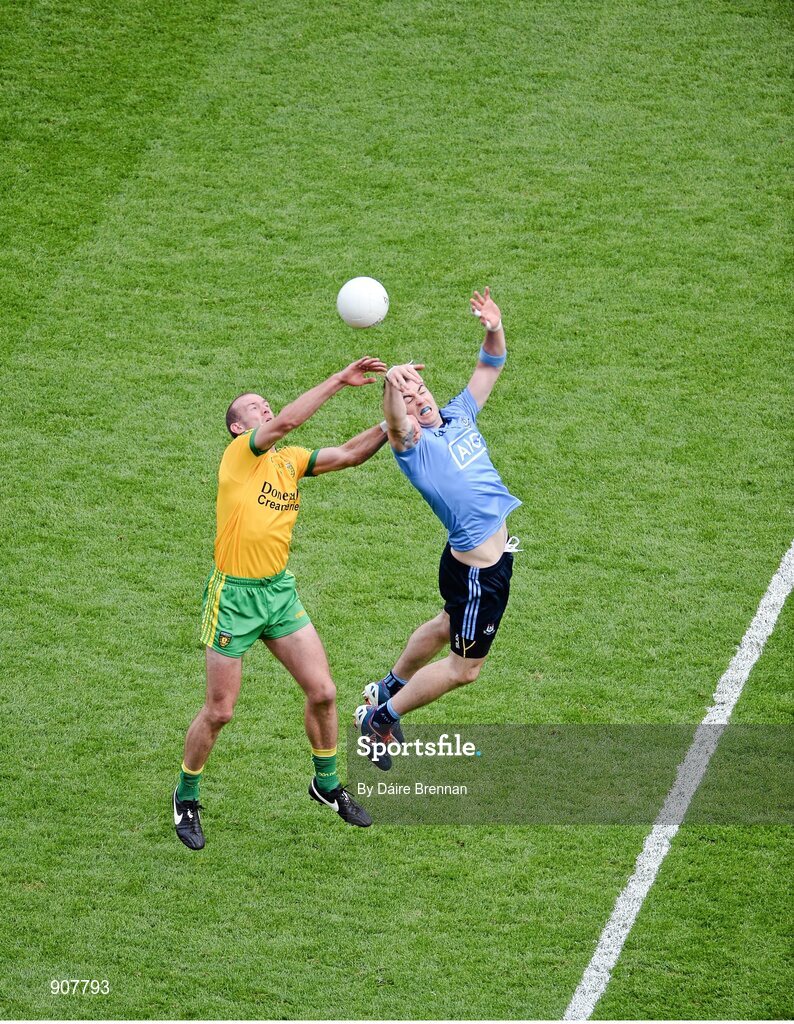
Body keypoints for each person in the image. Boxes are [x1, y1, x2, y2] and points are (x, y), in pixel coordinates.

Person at [173, 356, 389, 849]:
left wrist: (393, 420)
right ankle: (186, 795)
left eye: (263, 402)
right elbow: (289, 420)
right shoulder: (239, 457)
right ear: (236, 427)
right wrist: (338, 379)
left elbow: (350, 454)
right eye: (253, 406)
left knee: (325, 692)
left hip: (277, 593)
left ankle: (327, 784)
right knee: (220, 711)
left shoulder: (288, 460)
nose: (263, 406)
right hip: (234, 597)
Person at [355, 289, 521, 769]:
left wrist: (493, 325)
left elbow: (491, 363)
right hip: (478, 573)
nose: (418, 399)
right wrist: (392, 386)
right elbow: (394, 423)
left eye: (420, 390)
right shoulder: (413, 448)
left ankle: (388, 684)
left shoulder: (459, 415)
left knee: (449, 623)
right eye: (409, 399)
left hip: (480, 559)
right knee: (464, 670)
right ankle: (381, 718)